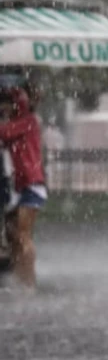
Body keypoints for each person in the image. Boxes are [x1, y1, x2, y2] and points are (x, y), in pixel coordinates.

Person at [0, 86, 46, 290]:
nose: (4, 111)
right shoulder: (22, 122)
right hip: (21, 186)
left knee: (22, 235)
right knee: (12, 233)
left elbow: (3, 132)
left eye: (6, 107)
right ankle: (19, 277)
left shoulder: (26, 121)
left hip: (32, 185)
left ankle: (29, 282)